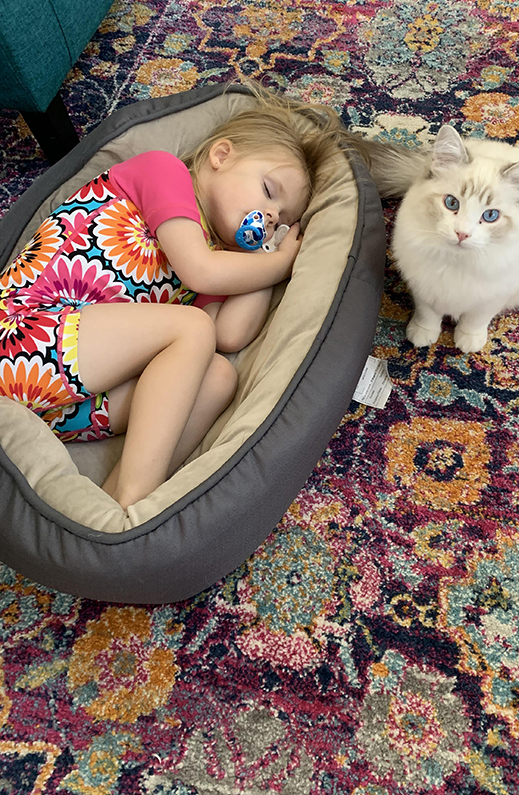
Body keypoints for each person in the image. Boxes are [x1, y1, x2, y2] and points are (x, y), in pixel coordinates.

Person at [0, 86, 346, 510]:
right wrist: (280, 264)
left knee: (219, 376)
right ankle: (135, 494)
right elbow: (197, 270)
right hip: (22, 337)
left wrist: (259, 254)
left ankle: (118, 502)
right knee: (192, 327)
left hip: (66, 400)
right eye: (269, 192)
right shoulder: (165, 174)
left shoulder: (219, 262)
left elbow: (231, 335)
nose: (272, 217)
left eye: (282, 220)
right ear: (221, 156)